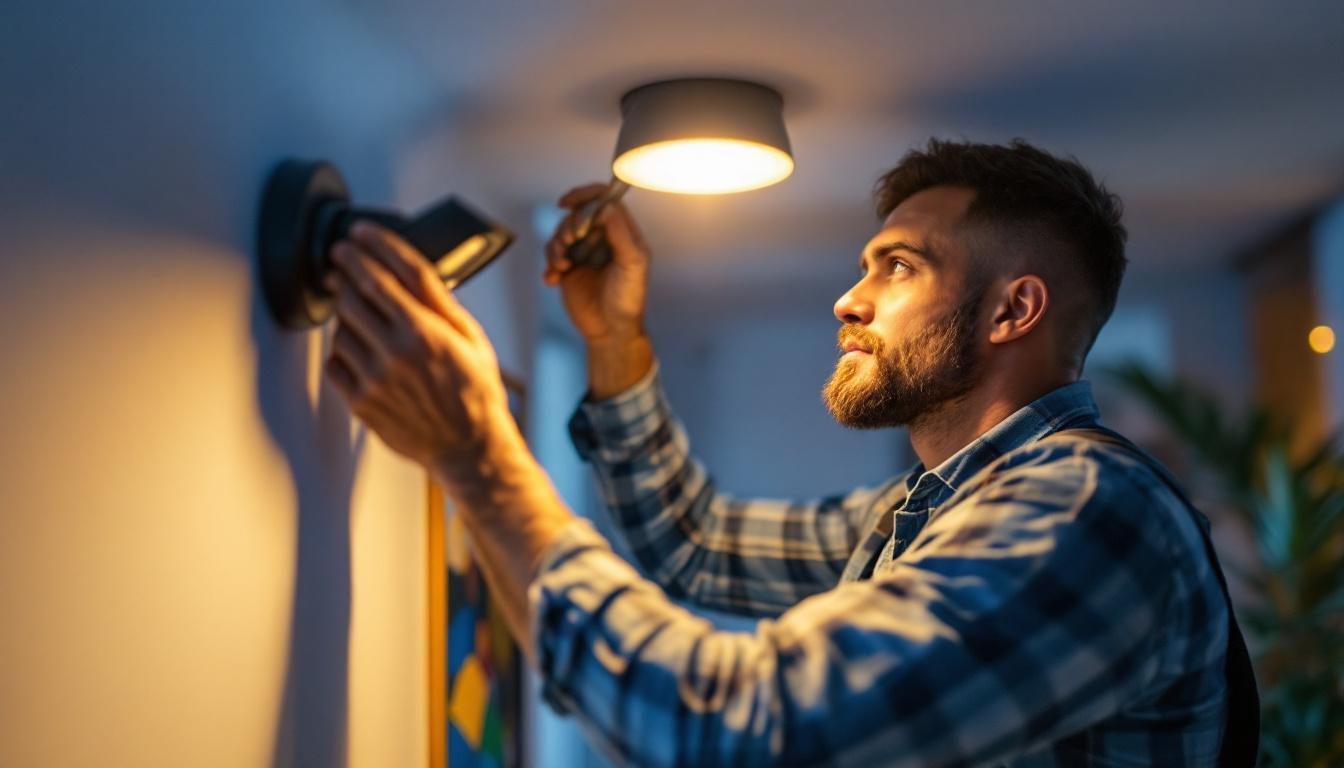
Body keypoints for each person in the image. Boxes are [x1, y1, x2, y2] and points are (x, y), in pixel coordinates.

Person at [321, 139, 1251, 766]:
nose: (849, 301)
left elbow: (749, 732)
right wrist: (614, 346)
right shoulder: (931, 513)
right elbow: (697, 543)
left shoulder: (1088, 511)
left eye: (899, 266)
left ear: (1014, 310)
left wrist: (478, 455)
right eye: (865, 266)